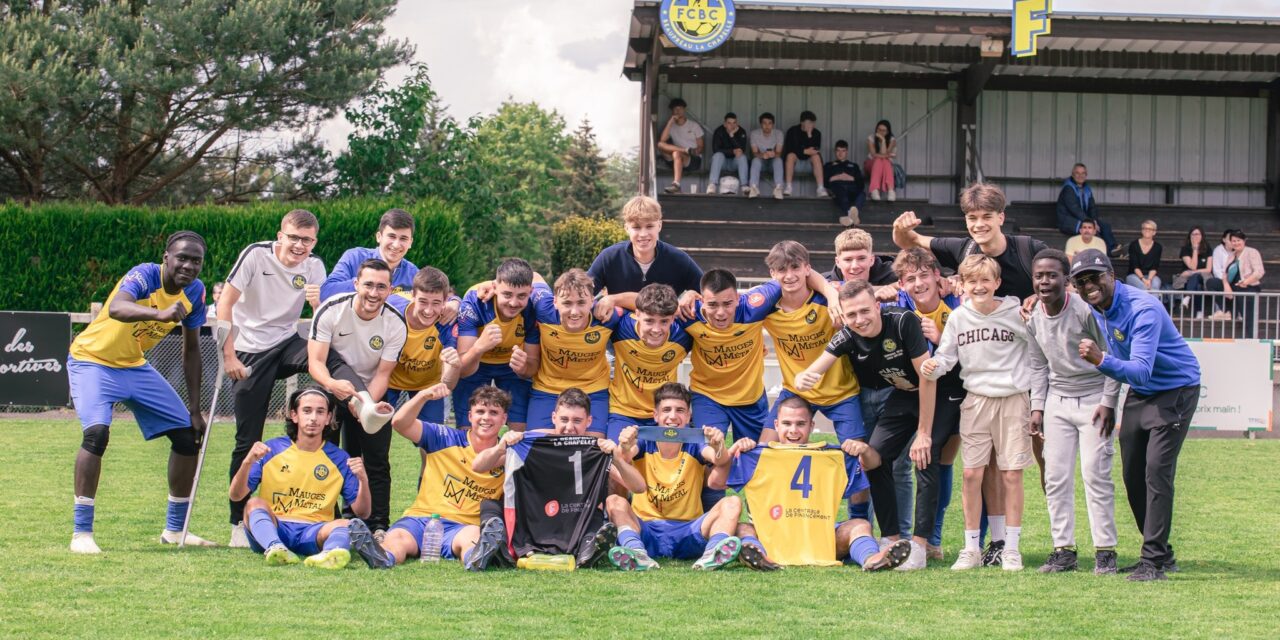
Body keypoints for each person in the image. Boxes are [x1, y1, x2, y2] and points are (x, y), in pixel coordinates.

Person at [895, 182, 1049, 559]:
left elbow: (1064, 279)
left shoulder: (1030, 250)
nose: (978, 225)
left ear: (1001, 217)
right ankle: (996, 544)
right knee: (987, 466)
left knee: (1046, 460)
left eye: (986, 217)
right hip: (980, 377)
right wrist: (902, 227)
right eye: (971, 218)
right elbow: (907, 239)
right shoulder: (958, 248)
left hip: (1030, 372)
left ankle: (1064, 544)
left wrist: (1039, 294)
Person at [796, 279, 958, 571]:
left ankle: (919, 548)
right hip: (904, 395)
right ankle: (891, 540)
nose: (859, 320)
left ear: (877, 305)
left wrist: (923, 434)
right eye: (852, 315)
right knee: (873, 458)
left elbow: (927, 376)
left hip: (939, 391)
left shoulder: (902, 321)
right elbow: (817, 367)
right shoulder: (847, 335)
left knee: (924, 455)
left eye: (864, 311)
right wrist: (804, 377)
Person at [68, 231, 213, 553]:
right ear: (166, 257)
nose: (188, 266)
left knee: (188, 437)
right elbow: (119, 308)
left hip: (134, 366)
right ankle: (81, 534)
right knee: (96, 435)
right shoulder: (145, 274)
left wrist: (194, 409)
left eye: (196, 261)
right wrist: (158, 314)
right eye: (182, 258)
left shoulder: (195, 293)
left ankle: (175, 530)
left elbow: (191, 352)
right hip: (92, 361)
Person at [1070, 248, 1201, 581]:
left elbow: (1141, 370)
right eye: (1081, 281)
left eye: (1094, 278)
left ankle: (1153, 560)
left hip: (1176, 389)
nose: (1088, 286)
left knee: (1157, 471)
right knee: (1132, 475)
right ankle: (1161, 554)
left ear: (1112, 275)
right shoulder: (1097, 305)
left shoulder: (1143, 308)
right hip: (1142, 393)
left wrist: (1100, 360)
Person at [220, 210, 329, 546]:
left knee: (326, 362)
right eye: (294, 237)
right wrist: (229, 354)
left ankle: (354, 401)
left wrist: (318, 303)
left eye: (307, 240)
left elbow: (325, 321)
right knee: (247, 438)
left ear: (313, 242)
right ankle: (239, 521)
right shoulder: (256, 255)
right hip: (250, 352)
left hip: (286, 344)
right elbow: (225, 302)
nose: (299, 246)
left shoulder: (315, 266)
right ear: (281, 235)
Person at [922, 254, 1034, 572]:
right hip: (975, 399)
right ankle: (971, 547)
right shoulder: (959, 317)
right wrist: (934, 366)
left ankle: (1011, 548)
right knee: (972, 474)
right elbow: (946, 356)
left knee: (1012, 473)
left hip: (1013, 398)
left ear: (997, 283)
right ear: (963, 285)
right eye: (972, 281)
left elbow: (1037, 347)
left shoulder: (1015, 312)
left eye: (986, 280)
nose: (979, 286)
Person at [718, 397, 909, 571]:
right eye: (787, 423)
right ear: (776, 425)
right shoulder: (756, 455)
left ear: (811, 426)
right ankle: (761, 557)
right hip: (772, 536)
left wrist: (864, 449)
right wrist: (733, 450)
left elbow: (875, 463)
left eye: (800, 424)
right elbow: (716, 482)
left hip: (820, 539)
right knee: (742, 529)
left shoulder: (833, 457)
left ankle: (872, 559)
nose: (793, 430)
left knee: (859, 525)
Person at [470, 389, 646, 567]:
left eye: (577, 421)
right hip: (535, 518)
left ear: (589, 421)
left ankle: (588, 550)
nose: (569, 427)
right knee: (490, 505)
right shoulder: (533, 441)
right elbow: (478, 466)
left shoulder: (595, 449)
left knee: (596, 514)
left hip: (575, 519)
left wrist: (617, 458)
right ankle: (499, 550)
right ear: (554, 417)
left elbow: (638, 487)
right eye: (564, 419)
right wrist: (501, 447)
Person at [1025, 249, 1121, 575]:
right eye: (1039, 275)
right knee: (1055, 477)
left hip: (1094, 398)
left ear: (1066, 280)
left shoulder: (1084, 311)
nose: (1045, 281)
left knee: (1095, 474)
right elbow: (1037, 365)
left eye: (1052, 275)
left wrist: (1109, 402)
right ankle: (1063, 550)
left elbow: (1110, 355)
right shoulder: (1034, 316)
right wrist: (1037, 406)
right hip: (1058, 401)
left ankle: (1105, 551)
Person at [348, 385, 510, 570]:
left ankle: (475, 558)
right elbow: (400, 423)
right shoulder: (444, 437)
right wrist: (423, 396)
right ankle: (382, 556)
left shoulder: (509, 451)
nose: (486, 418)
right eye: (480, 411)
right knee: (398, 538)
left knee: (473, 536)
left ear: (504, 418)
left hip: (461, 526)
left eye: (494, 412)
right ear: (470, 416)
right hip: (421, 518)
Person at [308, 259, 407, 537]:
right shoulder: (332, 310)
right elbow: (316, 361)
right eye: (368, 285)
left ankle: (378, 524)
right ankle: (330, 518)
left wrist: (365, 406)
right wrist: (332, 385)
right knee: (332, 457)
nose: (374, 293)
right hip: (330, 387)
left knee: (376, 460)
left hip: (372, 395)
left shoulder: (395, 324)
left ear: (390, 290)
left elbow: (383, 374)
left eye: (381, 287)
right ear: (356, 285)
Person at [604, 383, 743, 571]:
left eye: (680, 410)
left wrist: (719, 446)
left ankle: (712, 554)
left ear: (688, 415)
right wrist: (625, 446)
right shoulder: (645, 439)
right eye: (666, 410)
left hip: (688, 530)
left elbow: (719, 459)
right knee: (614, 501)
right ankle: (636, 552)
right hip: (648, 529)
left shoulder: (695, 442)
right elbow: (625, 456)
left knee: (733, 502)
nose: (672, 416)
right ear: (656, 415)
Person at [229, 388, 369, 569]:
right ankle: (275, 547)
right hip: (276, 527)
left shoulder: (340, 458)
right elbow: (236, 495)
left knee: (345, 524)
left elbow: (363, 512)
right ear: (294, 415)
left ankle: (330, 554)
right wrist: (247, 462)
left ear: (328, 418)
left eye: (320, 412)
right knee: (253, 504)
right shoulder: (271, 449)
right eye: (307, 410)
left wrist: (363, 480)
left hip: (313, 531)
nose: (313, 418)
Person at [889, 248, 965, 561]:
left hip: (957, 389)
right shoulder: (899, 305)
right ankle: (911, 536)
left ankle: (934, 537)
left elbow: (976, 350)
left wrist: (944, 336)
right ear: (901, 284)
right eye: (910, 278)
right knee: (916, 461)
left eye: (924, 275)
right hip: (915, 391)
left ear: (938, 276)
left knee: (947, 463)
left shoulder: (959, 303)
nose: (918, 283)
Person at [758, 241, 863, 446]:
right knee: (764, 449)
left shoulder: (830, 300)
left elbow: (867, 294)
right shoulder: (767, 310)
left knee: (857, 456)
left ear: (808, 268)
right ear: (772, 273)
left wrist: (832, 294)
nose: (789, 276)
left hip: (842, 391)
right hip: (797, 390)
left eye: (795, 267)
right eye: (782, 270)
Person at [519, 269, 618, 434]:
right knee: (536, 444)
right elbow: (533, 275)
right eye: (567, 303)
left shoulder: (607, 318)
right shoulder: (543, 308)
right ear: (555, 301)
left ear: (592, 301)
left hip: (593, 389)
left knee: (594, 447)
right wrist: (490, 284)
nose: (574, 311)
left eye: (581, 302)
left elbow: (642, 305)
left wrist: (614, 298)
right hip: (548, 389)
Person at [454, 258, 539, 429]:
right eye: (507, 294)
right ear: (494, 288)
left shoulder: (533, 308)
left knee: (520, 429)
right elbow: (461, 369)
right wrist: (479, 347)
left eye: (521, 296)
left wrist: (523, 368)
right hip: (477, 364)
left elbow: (532, 364)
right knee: (468, 429)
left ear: (530, 291)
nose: (514, 303)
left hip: (511, 366)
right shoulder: (475, 302)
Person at [604, 284, 693, 441]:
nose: (656, 329)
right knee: (616, 457)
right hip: (622, 412)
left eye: (664, 321)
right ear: (637, 314)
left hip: (663, 415)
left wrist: (692, 293)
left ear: (673, 317)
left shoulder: (684, 335)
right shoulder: (622, 326)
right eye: (649, 321)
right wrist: (612, 298)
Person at [384, 267, 460, 423]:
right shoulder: (391, 307)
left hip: (428, 383)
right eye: (423, 301)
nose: (428, 310)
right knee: (377, 431)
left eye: (436, 303)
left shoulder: (447, 322)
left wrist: (454, 366)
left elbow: (448, 384)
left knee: (431, 440)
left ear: (445, 301)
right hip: (389, 380)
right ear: (412, 296)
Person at [587, 195, 703, 297]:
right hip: (620, 320)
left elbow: (708, 292)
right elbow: (584, 293)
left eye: (649, 226)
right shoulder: (609, 257)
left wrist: (692, 294)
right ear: (626, 228)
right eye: (636, 227)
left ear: (659, 226)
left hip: (663, 321)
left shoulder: (678, 259)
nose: (643, 234)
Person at [1207, 230, 1265, 336]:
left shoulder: (1251, 252)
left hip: (1248, 287)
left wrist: (1246, 281)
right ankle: (1228, 310)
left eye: (1238, 240)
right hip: (1234, 287)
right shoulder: (1231, 256)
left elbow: (1259, 271)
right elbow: (1224, 274)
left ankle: (1251, 339)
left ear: (1244, 241)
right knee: (1212, 283)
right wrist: (1226, 286)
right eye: (1233, 241)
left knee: (1248, 316)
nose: (1236, 243)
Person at [1056, 163, 1118, 254]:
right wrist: (1090, 222)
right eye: (1077, 173)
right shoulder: (1068, 188)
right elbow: (1074, 209)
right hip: (1067, 221)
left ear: (1086, 175)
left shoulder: (1087, 189)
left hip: (1082, 219)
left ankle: (1114, 248)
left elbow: (1092, 207)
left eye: (1083, 173)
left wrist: (1094, 220)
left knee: (1105, 226)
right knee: (1090, 229)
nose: (1080, 176)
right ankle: (1107, 253)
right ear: (1073, 174)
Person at [822, 228, 900, 297]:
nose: (855, 266)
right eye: (848, 260)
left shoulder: (894, 274)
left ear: (872, 260)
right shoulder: (823, 282)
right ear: (838, 262)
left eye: (861, 258)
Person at [658, 98, 704, 195]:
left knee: (676, 153)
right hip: (677, 158)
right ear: (672, 111)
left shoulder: (693, 125)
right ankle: (684, 150)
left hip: (693, 160)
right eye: (675, 109)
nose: (678, 111)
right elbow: (662, 141)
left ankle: (676, 185)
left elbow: (701, 146)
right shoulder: (672, 126)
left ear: (684, 110)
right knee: (660, 144)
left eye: (680, 108)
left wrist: (696, 151)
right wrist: (670, 122)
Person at [782, 110, 826, 197]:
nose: (811, 125)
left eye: (813, 123)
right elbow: (789, 149)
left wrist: (809, 135)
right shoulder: (792, 131)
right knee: (790, 155)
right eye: (809, 123)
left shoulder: (816, 133)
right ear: (802, 122)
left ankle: (820, 188)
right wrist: (804, 151)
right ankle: (788, 187)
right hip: (795, 163)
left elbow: (815, 150)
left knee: (816, 156)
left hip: (810, 165)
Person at [1174, 226, 1214, 318]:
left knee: (1195, 275)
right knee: (1197, 285)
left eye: (1198, 234)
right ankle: (1199, 312)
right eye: (1193, 234)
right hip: (1188, 280)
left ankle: (1187, 297)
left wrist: (1192, 272)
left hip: (1204, 277)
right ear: (1190, 236)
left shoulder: (1208, 249)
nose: (1195, 236)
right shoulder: (1185, 249)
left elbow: (1208, 269)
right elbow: (1192, 266)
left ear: (1202, 236)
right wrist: (1195, 250)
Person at [824, 140, 866, 226]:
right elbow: (824, 182)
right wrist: (836, 177)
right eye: (838, 150)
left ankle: (850, 217)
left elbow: (861, 184)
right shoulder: (829, 165)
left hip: (852, 189)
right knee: (841, 193)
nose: (840, 153)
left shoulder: (853, 166)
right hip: (837, 188)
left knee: (862, 194)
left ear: (847, 152)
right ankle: (853, 217)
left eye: (843, 151)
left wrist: (851, 178)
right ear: (835, 152)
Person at [707, 112, 749, 195]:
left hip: (734, 163)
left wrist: (732, 136)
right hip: (721, 162)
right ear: (725, 124)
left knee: (742, 157)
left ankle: (744, 186)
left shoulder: (741, 131)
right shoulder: (719, 131)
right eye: (729, 123)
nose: (732, 126)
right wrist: (732, 151)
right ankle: (712, 184)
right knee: (718, 155)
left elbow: (741, 150)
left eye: (734, 123)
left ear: (737, 123)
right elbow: (716, 149)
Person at [748, 112, 785, 199]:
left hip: (773, 162)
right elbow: (755, 153)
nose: (767, 126)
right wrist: (762, 155)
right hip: (762, 162)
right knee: (755, 160)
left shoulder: (778, 133)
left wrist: (773, 154)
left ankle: (778, 188)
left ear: (773, 124)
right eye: (764, 123)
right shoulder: (754, 134)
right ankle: (753, 187)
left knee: (778, 160)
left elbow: (779, 153)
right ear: (761, 124)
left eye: (770, 123)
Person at [1126, 220, 1163, 293]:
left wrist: (1149, 280)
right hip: (1134, 275)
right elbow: (1135, 266)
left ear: (1154, 232)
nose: (1147, 231)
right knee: (1142, 286)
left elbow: (1154, 267)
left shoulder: (1158, 247)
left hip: (1150, 276)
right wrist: (1143, 279)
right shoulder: (1134, 245)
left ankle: (1153, 304)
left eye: (1150, 229)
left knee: (1155, 284)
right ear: (1142, 231)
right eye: (1145, 228)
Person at [864, 120, 897, 202]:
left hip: (885, 166)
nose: (881, 132)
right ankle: (888, 190)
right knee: (880, 160)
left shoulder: (892, 140)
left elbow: (883, 153)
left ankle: (882, 191)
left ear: (888, 131)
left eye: (883, 130)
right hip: (871, 164)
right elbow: (873, 154)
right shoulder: (870, 138)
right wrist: (887, 155)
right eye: (879, 129)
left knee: (884, 161)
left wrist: (883, 141)